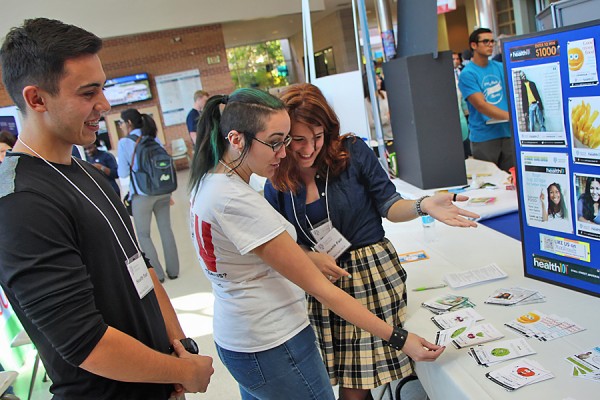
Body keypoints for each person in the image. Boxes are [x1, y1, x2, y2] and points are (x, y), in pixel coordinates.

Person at [189, 88, 460, 400]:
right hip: (274, 332)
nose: (288, 150)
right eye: (281, 141)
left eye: (290, 140)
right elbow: (320, 288)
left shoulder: (213, 184)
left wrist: (422, 205)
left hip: (262, 327)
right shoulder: (245, 193)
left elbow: (265, 252)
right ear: (236, 139)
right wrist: (400, 338)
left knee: (355, 383)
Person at [0, 18, 213, 399]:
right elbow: (85, 343)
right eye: (88, 93)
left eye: (103, 87)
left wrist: (179, 350)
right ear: (36, 99)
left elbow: (141, 266)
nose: (105, 104)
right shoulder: (20, 203)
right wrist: (181, 371)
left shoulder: (87, 171)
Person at [264, 83, 480, 400]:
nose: (309, 148)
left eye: (318, 136)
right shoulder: (276, 178)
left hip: (370, 276)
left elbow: (389, 206)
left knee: (354, 385)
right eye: (298, 140)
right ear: (282, 137)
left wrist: (423, 205)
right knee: (338, 378)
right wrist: (307, 258)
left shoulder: (350, 151)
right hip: (319, 284)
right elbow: (278, 245)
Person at [117, 108, 180, 282]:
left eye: (121, 123)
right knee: (166, 229)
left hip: (142, 195)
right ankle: (174, 271)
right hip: (163, 192)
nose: (121, 126)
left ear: (129, 123)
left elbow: (123, 174)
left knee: (144, 235)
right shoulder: (153, 138)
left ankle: (158, 275)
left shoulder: (124, 143)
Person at [458, 28, 513, 171]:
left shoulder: (501, 67)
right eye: (485, 41)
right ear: (473, 45)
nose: (490, 44)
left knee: (511, 179)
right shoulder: (468, 73)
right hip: (485, 136)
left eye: (492, 41)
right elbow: (481, 105)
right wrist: (511, 117)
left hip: (507, 132)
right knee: (490, 182)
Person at [363, 73, 393, 141]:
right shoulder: (366, 102)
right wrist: (386, 117)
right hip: (378, 140)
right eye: (376, 80)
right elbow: (371, 123)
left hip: (392, 136)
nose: (380, 81)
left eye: (379, 79)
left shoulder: (385, 94)